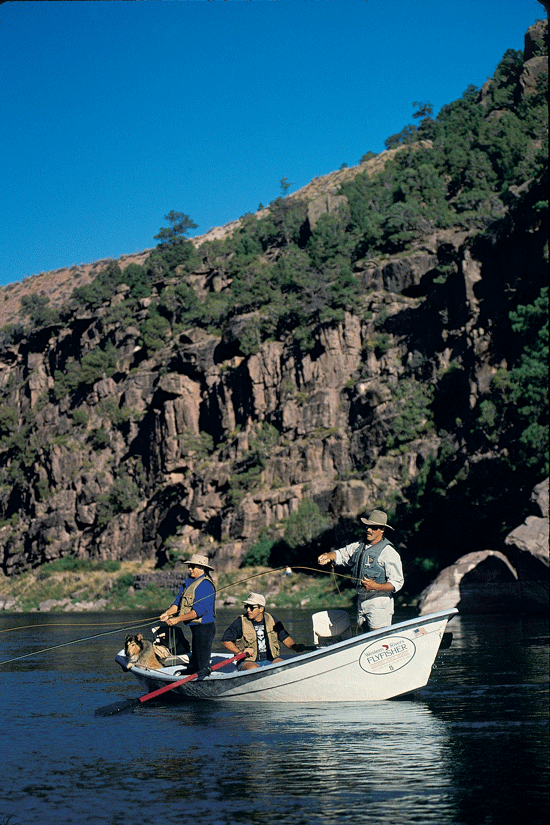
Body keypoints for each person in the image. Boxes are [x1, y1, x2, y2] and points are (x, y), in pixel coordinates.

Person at [317, 509, 404, 632]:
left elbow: (397, 582)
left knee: (376, 639)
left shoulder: (389, 552)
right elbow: (343, 554)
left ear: (382, 530)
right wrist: (328, 556)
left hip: (379, 603)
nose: (369, 529)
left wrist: (376, 586)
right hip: (361, 601)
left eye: (374, 527)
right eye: (368, 526)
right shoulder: (359, 545)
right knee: (364, 636)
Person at [159, 553, 216, 675]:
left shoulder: (206, 585)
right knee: (196, 661)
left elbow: (197, 612)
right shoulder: (187, 584)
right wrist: (167, 614)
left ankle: (203, 681)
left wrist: (177, 620)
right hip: (195, 629)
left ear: (202, 568)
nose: (190, 569)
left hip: (205, 628)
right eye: (190, 566)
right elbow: (177, 604)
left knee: (202, 664)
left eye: (193, 566)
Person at [221, 592, 304, 670]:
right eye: (247, 607)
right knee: (253, 669)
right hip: (248, 661)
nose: (248, 610)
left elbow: (285, 638)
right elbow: (225, 640)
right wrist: (239, 652)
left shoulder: (272, 620)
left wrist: (295, 647)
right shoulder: (240, 622)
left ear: (261, 609)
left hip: (271, 660)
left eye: (252, 607)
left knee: (283, 666)